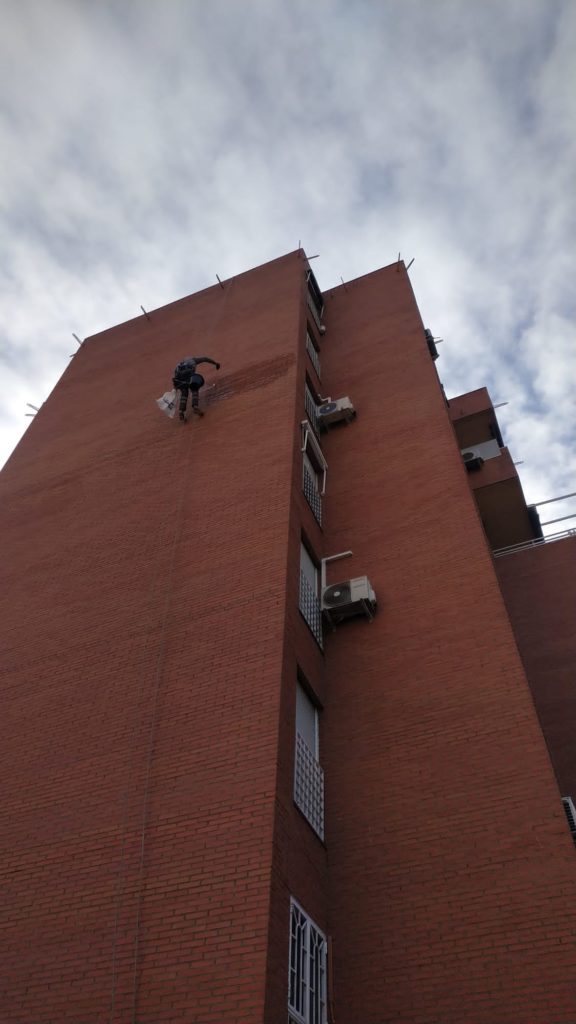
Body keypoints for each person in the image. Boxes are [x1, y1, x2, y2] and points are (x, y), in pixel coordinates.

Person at [172, 356, 220, 420]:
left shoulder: (178, 366)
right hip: (187, 376)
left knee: (184, 393)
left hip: (179, 380)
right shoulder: (193, 361)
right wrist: (215, 363)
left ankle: (181, 411)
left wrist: (175, 388)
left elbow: (175, 379)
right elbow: (205, 359)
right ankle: (195, 407)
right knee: (194, 388)